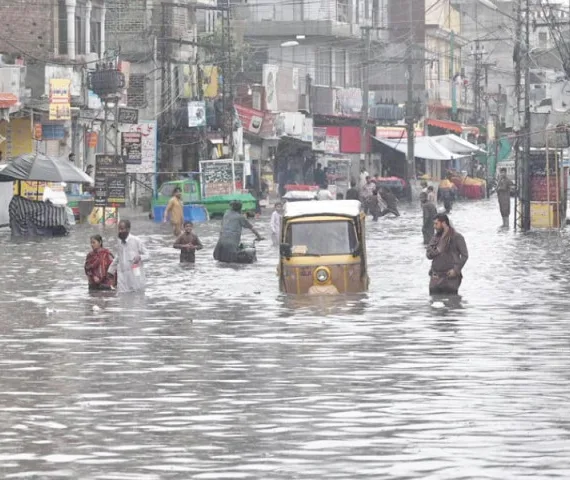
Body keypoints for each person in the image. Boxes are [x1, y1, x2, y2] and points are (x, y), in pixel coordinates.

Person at [426, 213, 468, 295]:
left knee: (452, 304)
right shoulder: (435, 238)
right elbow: (428, 255)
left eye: (436, 224)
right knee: (434, 303)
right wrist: (438, 248)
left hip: (450, 278)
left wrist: (456, 270)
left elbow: (465, 256)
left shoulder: (457, 237)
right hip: (435, 277)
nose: (434, 226)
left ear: (444, 223)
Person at [107, 220, 150, 294]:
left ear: (128, 229)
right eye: (119, 229)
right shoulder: (119, 242)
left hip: (135, 278)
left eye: (122, 229)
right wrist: (110, 271)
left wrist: (140, 257)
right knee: (123, 301)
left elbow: (148, 256)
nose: (120, 231)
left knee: (136, 300)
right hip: (123, 280)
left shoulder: (136, 241)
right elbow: (118, 257)